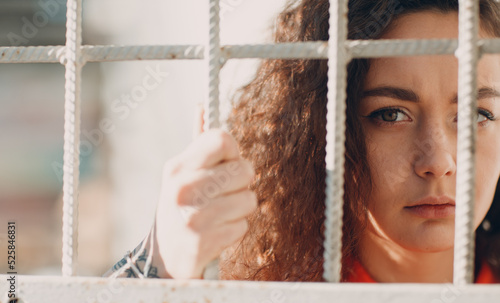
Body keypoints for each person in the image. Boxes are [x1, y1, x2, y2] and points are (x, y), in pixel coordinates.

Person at [105, 0, 500, 283]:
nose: (438, 160)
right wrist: (157, 267)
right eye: (390, 114)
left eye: (476, 115)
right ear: (321, 127)